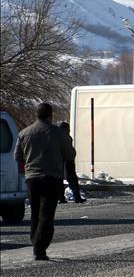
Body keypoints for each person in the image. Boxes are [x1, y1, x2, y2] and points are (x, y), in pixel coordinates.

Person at [14, 103, 75, 261]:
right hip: (52, 178)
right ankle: (39, 247)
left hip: (32, 178)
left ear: (36, 115)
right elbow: (70, 154)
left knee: (35, 212)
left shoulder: (24, 133)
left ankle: (35, 241)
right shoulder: (58, 133)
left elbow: (17, 157)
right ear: (50, 115)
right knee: (46, 214)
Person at [57, 122, 85, 204]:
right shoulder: (66, 137)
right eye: (68, 129)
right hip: (68, 161)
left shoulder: (57, 136)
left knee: (59, 180)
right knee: (72, 179)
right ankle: (77, 197)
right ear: (66, 129)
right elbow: (68, 149)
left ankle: (61, 198)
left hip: (59, 161)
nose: (69, 130)